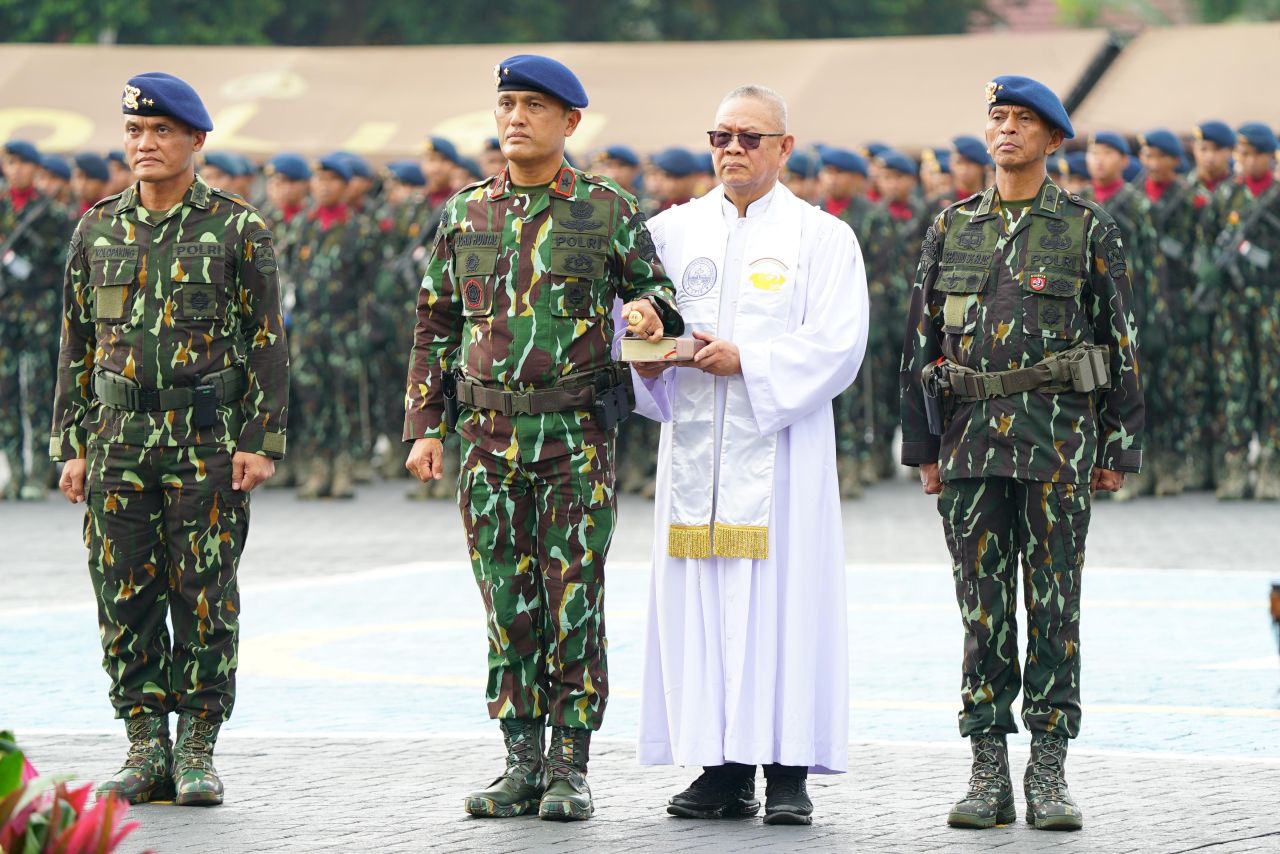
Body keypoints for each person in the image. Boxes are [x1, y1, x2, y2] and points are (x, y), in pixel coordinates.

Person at [403, 53, 681, 822]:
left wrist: (654, 315)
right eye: (506, 103)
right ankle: (519, 761)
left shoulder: (607, 210)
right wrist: (426, 427)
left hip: (574, 437)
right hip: (487, 438)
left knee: (572, 604)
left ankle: (570, 766)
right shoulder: (466, 213)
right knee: (506, 604)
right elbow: (436, 323)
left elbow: (654, 291)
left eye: (532, 105)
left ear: (570, 123)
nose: (515, 117)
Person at [900, 75, 1143, 832]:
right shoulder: (952, 227)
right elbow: (919, 342)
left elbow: (1120, 340)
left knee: (1054, 608)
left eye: (1023, 121)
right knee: (983, 612)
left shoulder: (1085, 228)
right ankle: (985, 770)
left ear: (1052, 139)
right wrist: (923, 445)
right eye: (997, 117)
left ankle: (1047, 770)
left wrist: (1118, 444)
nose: (1006, 130)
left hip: (1056, 445)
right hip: (970, 445)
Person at [50, 72, 289, 806]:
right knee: (124, 595)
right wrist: (71, 444)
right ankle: (145, 742)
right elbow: (77, 342)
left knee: (204, 594)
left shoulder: (237, 228)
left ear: (195, 141)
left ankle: (196, 749)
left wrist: (261, 440)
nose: (145, 144)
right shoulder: (97, 227)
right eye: (134, 131)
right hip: (118, 440)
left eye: (161, 132)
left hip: (205, 441)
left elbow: (268, 342)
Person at [632, 84, 868, 826]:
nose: (733, 149)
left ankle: (788, 770)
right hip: (696, 457)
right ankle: (720, 767)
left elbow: (838, 344)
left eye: (750, 137)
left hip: (782, 455)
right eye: (721, 136)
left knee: (783, 607)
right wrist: (643, 351)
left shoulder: (821, 239)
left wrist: (753, 363)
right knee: (701, 606)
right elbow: (638, 324)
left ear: (784, 148)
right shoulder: (669, 233)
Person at [281, 154, 374, 499]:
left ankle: (344, 469)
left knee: (344, 398)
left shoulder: (359, 229)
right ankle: (318, 467)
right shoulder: (302, 226)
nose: (324, 186)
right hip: (307, 325)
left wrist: (365, 330)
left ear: (346, 186)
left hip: (344, 326)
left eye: (332, 180)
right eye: (319, 180)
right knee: (311, 397)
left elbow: (371, 283)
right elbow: (289, 271)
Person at [1196, 123, 1280, 499]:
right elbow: (1204, 241)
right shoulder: (1226, 194)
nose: (1243, 161)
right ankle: (1233, 464)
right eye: (1240, 154)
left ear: (1268, 156)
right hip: (1232, 304)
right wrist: (1209, 269)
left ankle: (1271, 465)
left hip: (1271, 303)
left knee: (1273, 383)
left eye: (1251, 154)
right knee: (1234, 382)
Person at [1, 139, 71, 501]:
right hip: (4, 314)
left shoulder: (52, 214)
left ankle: (38, 472)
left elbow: (63, 265)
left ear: (34, 168)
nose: (15, 170)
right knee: (4, 392)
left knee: (39, 393)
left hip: (38, 314)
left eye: (22, 164)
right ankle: (13, 472)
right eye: (9, 163)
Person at [1139, 129, 1197, 495]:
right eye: (1147, 155)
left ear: (1175, 160)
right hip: (1141, 303)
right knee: (1138, 390)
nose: (1152, 163)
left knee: (1171, 388)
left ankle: (1171, 465)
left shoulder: (1190, 200)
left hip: (1177, 303)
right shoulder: (1136, 199)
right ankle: (1141, 465)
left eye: (1160, 156)